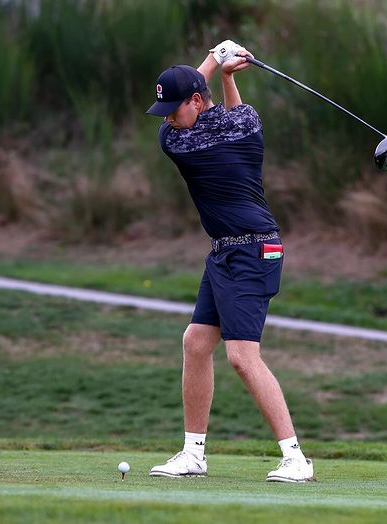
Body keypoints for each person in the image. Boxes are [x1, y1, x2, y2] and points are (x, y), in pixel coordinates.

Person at [144, 41, 314, 483]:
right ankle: (193, 453)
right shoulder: (246, 122)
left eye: (173, 108)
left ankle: (296, 458)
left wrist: (215, 58)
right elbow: (226, 115)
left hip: (254, 250)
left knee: (241, 355)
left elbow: (209, 114)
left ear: (197, 101)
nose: (166, 118)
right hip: (225, 251)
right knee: (196, 342)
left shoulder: (181, 142)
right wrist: (227, 74)